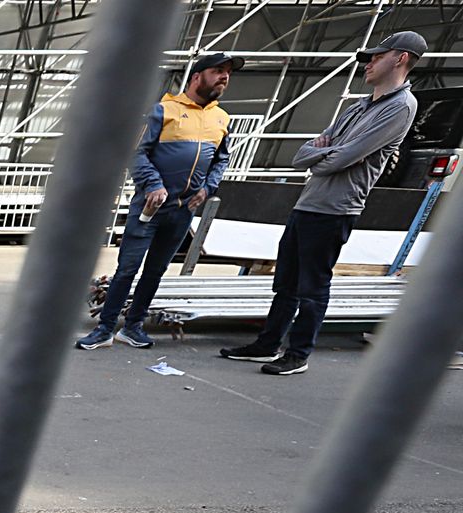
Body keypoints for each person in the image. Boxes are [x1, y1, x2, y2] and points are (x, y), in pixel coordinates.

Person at [220, 31, 424, 377]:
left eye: (377, 56)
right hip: (308, 203)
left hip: (336, 209)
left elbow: (338, 158)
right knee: (285, 281)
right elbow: (305, 155)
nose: (369, 63)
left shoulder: (401, 108)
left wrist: (326, 153)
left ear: (400, 58)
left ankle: (298, 353)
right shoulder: (358, 106)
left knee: (313, 285)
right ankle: (267, 344)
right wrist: (328, 154)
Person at [78, 53, 240, 351]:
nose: (224, 77)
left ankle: (134, 326)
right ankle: (104, 329)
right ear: (197, 77)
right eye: (218, 71)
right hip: (149, 208)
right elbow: (137, 153)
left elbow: (222, 158)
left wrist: (208, 186)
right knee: (127, 269)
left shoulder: (221, 118)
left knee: (156, 271)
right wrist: (153, 184)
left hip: (183, 211)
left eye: (228, 73)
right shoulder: (162, 111)